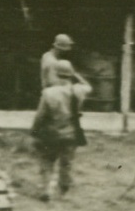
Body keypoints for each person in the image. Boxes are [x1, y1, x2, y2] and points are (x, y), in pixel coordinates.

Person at [30, 59, 90, 201]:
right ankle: (63, 190)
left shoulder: (48, 93)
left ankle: (46, 189)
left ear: (55, 74)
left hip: (50, 133)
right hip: (71, 133)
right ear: (70, 74)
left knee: (46, 160)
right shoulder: (79, 90)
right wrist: (75, 74)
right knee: (66, 163)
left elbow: (40, 115)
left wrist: (34, 130)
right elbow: (87, 85)